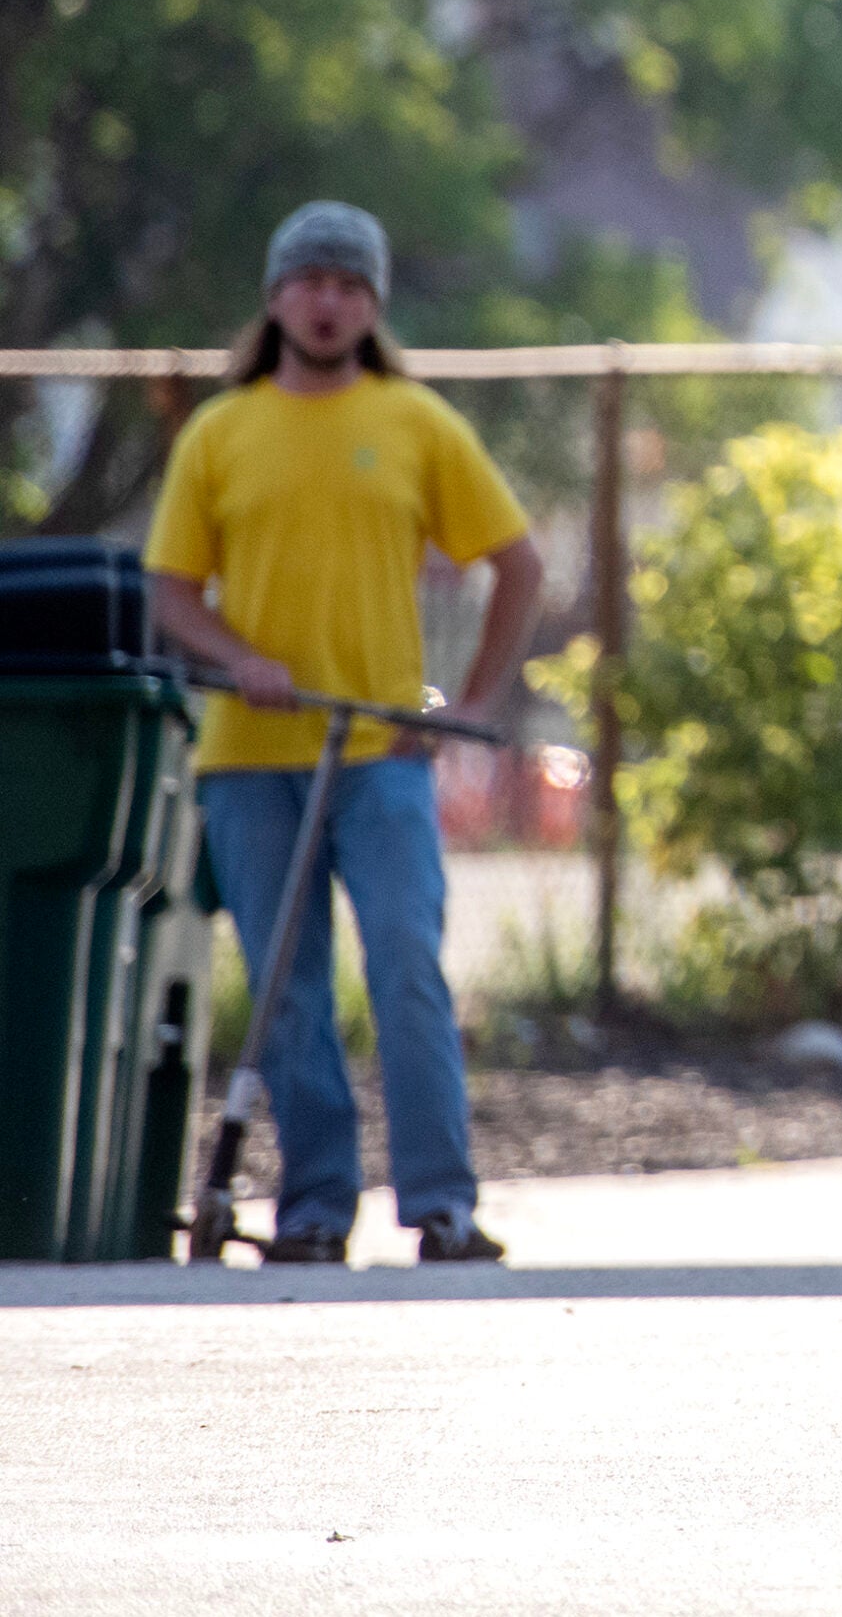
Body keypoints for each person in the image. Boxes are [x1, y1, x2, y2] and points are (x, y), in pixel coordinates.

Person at [146, 201, 544, 1265]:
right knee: (286, 983)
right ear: (277, 297)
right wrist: (239, 659)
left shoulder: (414, 422)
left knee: (407, 962)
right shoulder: (220, 432)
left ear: (372, 305)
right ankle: (315, 1207)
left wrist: (470, 700)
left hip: (381, 751)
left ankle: (440, 1204)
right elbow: (171, 590)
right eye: (311, 281)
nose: (329, 302)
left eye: (350, 285)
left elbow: (520, 563)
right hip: (252, 755)